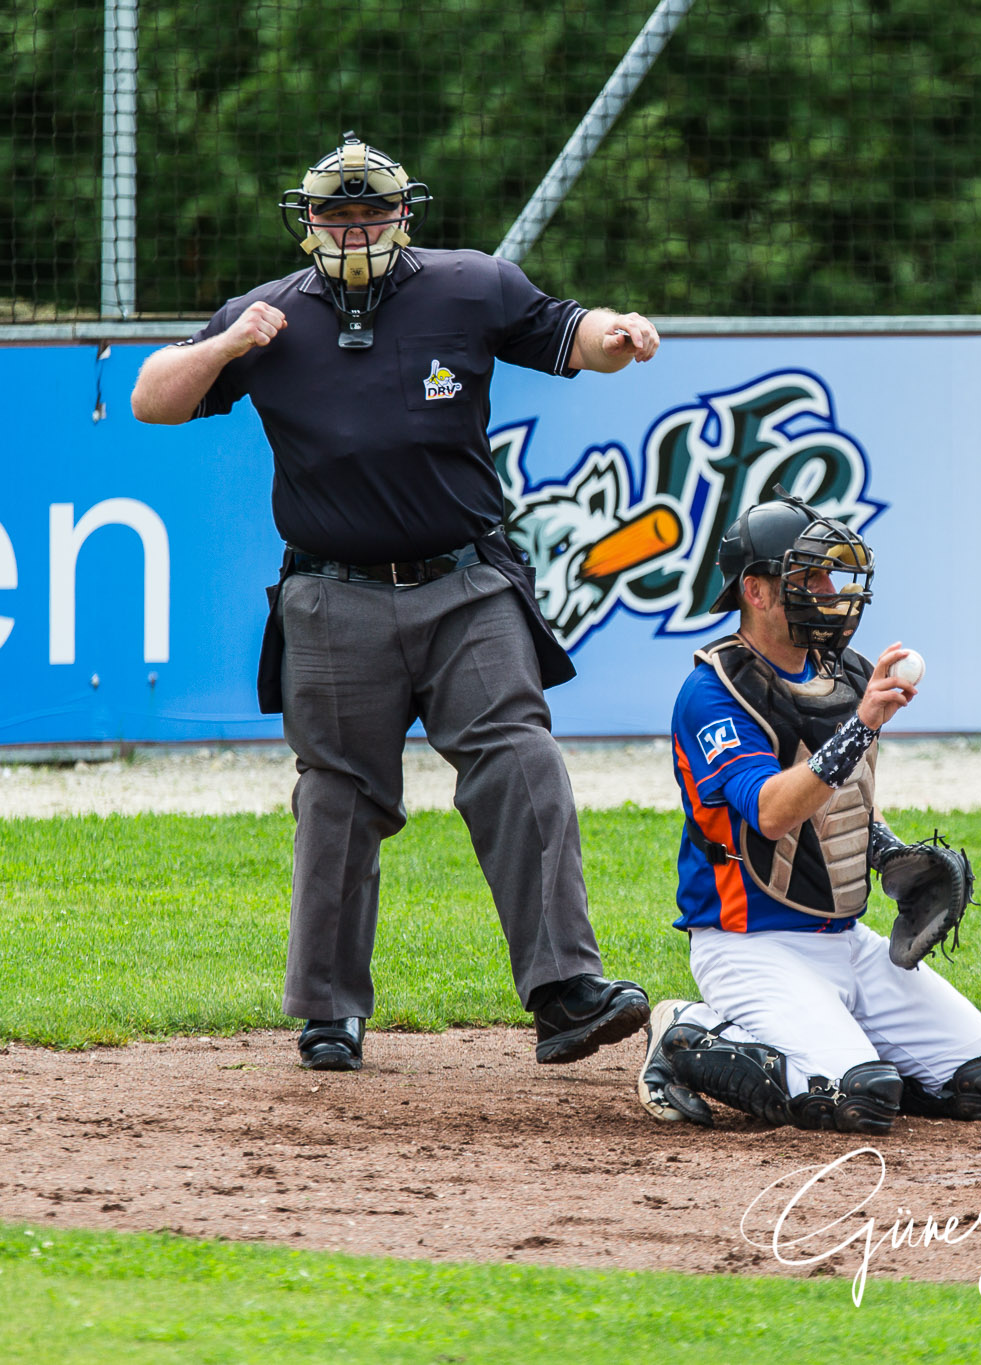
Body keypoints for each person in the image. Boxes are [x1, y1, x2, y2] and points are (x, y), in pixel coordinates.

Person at [129, 133, 658, 1072]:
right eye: (336, 216)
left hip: (467, 582)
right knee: (339, 795)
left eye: (373, 213)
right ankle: (328, 1012)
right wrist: (226, 343)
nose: (355, 230)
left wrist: (619, 335)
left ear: (405, 214)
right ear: (308, 228)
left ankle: (566, 991)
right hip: (331, 595)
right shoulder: (264, 316)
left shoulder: (471, 285)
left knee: (520, 759)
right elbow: (151, 401)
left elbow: (573, 333)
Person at [633, 494, 981, 1135]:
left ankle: (849, 1053)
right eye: (809, 575)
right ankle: (687, 1032)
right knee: (858, 1097)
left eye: (830, 574)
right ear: (757, 592)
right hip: (750, 948)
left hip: (847, 942)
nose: (828, 589)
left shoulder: (843, 673)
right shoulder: (713, 690)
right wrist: (864, 724)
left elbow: (836, 809)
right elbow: (769, 813)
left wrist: (891, 855)